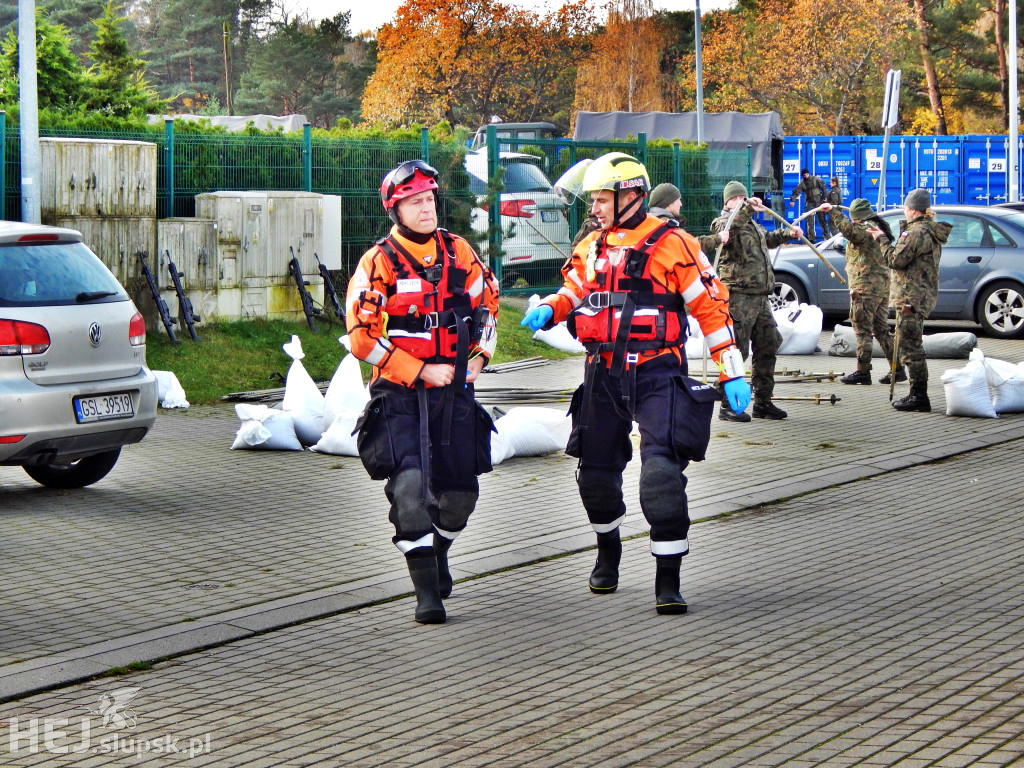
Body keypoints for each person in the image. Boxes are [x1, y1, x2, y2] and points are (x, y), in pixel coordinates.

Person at [521, 152, 751, 616]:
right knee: (596, 479)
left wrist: (732, 369)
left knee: (661, 477)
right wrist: (552, 307)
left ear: (632, 195)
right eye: (595, 200)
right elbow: (575, 290)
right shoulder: (593, 245)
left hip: (657, 370)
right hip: (602, 372)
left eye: (603, 199)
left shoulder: (677, 244)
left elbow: (711, 310)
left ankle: (668, 578)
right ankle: (608, 551)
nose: (596, 208)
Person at [346, 159, 499, 624]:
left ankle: (441, 549)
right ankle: (426, 594)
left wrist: (479, 358)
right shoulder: (378, 262)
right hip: (399, 397)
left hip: (455, 394)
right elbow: (361, 338)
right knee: (410, 490)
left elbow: (488, 304)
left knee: (460, 498)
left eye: (430, 199)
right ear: (396, 210)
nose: (426, 208)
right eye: (415, 202)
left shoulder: (460, 253)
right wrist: (418, 371)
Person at [711, 181, 802, 422]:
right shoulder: (724, 223)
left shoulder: (751, 223)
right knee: (736, 351)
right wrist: (747, 209)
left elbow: (767, 239)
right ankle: (728, 404)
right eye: (737, 197)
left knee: (768, 345)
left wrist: (787, 233)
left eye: (744, 195)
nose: (742, 198)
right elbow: (728, 236)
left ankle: (763, 401)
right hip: (738, 296)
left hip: (760, 298)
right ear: (728, 201)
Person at [871, 188, 952, 412]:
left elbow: (896, 260)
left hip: (911, 297)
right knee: (909, 343)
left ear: (913, 210)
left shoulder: (916, 233)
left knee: (911, 346)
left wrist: (882, 239)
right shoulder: (928, 230)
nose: (904, 211)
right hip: (919, 295)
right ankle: (916, 394)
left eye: (906, 207)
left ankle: (919, 396)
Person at [820, 198, 900, 385]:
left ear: (856, 217)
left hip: (865, 288)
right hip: (880, 287)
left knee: (862, 330)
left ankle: (862, 371)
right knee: (881, 329)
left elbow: (848, 231)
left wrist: (832, 212)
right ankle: (897, 368)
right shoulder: (877, 226)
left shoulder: (865, 229)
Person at [648, 181, 729, 253]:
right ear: (669, 203)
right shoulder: (666, 225)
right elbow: (689, 245)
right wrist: (717, 238)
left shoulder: (652, 221)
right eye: (678, 200)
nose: (681, 204)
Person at [789, 168, 828, 243]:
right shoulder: (802, 183)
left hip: (819, 202)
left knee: (823, 221)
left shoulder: (815, 179)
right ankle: (812, 239)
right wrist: (792, 200)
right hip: (810, 203)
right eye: (804, 175)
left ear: (809, 173)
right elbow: (796, 192)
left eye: (807, 174)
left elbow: (824, 188)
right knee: (810, 222)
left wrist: (825, 198)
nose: (806, 176)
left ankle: (827, 238)